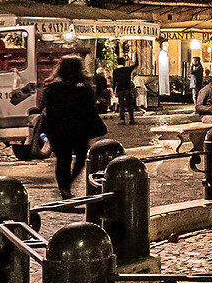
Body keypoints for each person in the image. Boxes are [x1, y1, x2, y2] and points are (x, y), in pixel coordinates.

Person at [41, 57, 107, 198]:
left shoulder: (51, 86)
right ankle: (67, 185)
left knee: (63, 160)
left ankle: (64, 188)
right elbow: (89, 110)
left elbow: (47, 109)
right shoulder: (83, 88)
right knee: (81, 159)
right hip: (78, 130)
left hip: (57, 130)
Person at [110, 60, 139, 126]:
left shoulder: (115, 71)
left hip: (120, 89)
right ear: (124, 63)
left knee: (121, 105)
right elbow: (136, 64)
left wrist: (114, 90)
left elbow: (114, 82)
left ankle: (122, 120)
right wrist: (136, 56)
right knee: (130, 105)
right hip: (127, 89)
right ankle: (131, 119)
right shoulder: (127, 69)